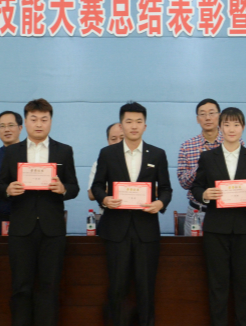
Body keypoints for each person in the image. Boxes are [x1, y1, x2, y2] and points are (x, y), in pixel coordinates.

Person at [0, 98, 79, 326]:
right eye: (34, 119)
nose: (39, 124)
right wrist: (8, 189)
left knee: (49, 287)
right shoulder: (13, 152)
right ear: (25, 123)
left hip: (52, 230)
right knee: (21, 287)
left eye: (44, 119)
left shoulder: (64, 151)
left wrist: (63, 189)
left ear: (51, 121)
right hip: (21, 229)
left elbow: (74, 187)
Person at [91, 102, 173, 326]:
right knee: (117, 288)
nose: (134, 126)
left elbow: (166, 189)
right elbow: (97, 186)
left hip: (146, 231)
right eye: (129, 121)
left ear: (145, 126)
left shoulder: (157, 154)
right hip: (116, 230)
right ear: (121, 125)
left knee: (146, 289)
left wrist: (160, 203)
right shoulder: (107, 153)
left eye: (138, 121)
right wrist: (104, 199)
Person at [191, 107, 246, 326]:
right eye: (226, 124)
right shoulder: (207, 157)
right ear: (220, 127)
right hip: (216, 229)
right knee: (218, 285)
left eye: (236, 124)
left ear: (243, 127)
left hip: (245, 228)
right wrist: (205, 194)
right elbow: (197, 187)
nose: (231, 129)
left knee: (245, 285)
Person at [178, 99, 241, 236]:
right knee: (193, 249)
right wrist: (201, 164)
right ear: (197, 119)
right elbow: (184, 183)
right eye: (202, 114)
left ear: (219, 116)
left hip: (226, 211)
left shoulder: (234, 142)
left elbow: (239, 178)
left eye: (212, 113)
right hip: (197, 211)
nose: (207, 118)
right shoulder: (187, 146)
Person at [88, 123, 124, 202]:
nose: (118, 142)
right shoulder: (100, 162)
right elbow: (91, 195)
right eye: (113, 139)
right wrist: (119, 188)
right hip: (110, 208)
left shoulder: (141, 159)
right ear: (108, 141)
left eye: (122, 138)